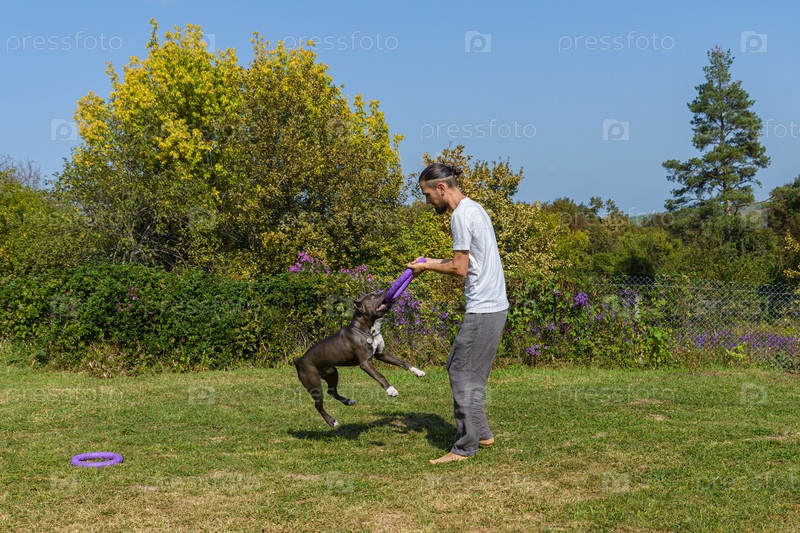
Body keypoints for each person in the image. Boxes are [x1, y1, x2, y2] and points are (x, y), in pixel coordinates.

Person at [407, 162, 509, 464]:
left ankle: (465, 446)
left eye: (427, 195)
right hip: (493, 306)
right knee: (460, 366)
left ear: (441, 188)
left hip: (484, 308)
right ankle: (482, 433)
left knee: (462, 373)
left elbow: (459, 269)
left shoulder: (460, 216)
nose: (428, 202)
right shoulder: (474, 209)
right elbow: (466, 261)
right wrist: (426, 262)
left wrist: (427, 266)